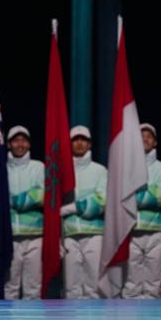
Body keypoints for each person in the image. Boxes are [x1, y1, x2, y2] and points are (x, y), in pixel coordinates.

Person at [121, 123, 161, 299]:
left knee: (153, 281)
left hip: (156, 231)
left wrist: (133, 196)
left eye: (149, 136)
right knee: (132, 282)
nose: (145, 139)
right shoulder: (125, 169)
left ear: (155, 142)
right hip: (131, 230)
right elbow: (120, 197)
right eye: (141, 136)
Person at [60, 125, 107, 299]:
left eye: (83, 140)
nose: (79, 143)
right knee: (71, 287)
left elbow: (102, 201)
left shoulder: (100, 170)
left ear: (89, 144)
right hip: (69, 235)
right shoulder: (61, 171)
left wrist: (70, 208)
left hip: (94, 234)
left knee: (93, 285)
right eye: (75, 140)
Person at [4, 125, 44, 299]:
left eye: (23, 140)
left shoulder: (38, 167)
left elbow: (41, 195)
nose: (20, 144)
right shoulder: (1, 169)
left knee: (33, 287)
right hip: (10, 236)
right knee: (10, 286)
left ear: (29, 144)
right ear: (8, 144)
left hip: (35, 236)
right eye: (16, 140)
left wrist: (10, 201)